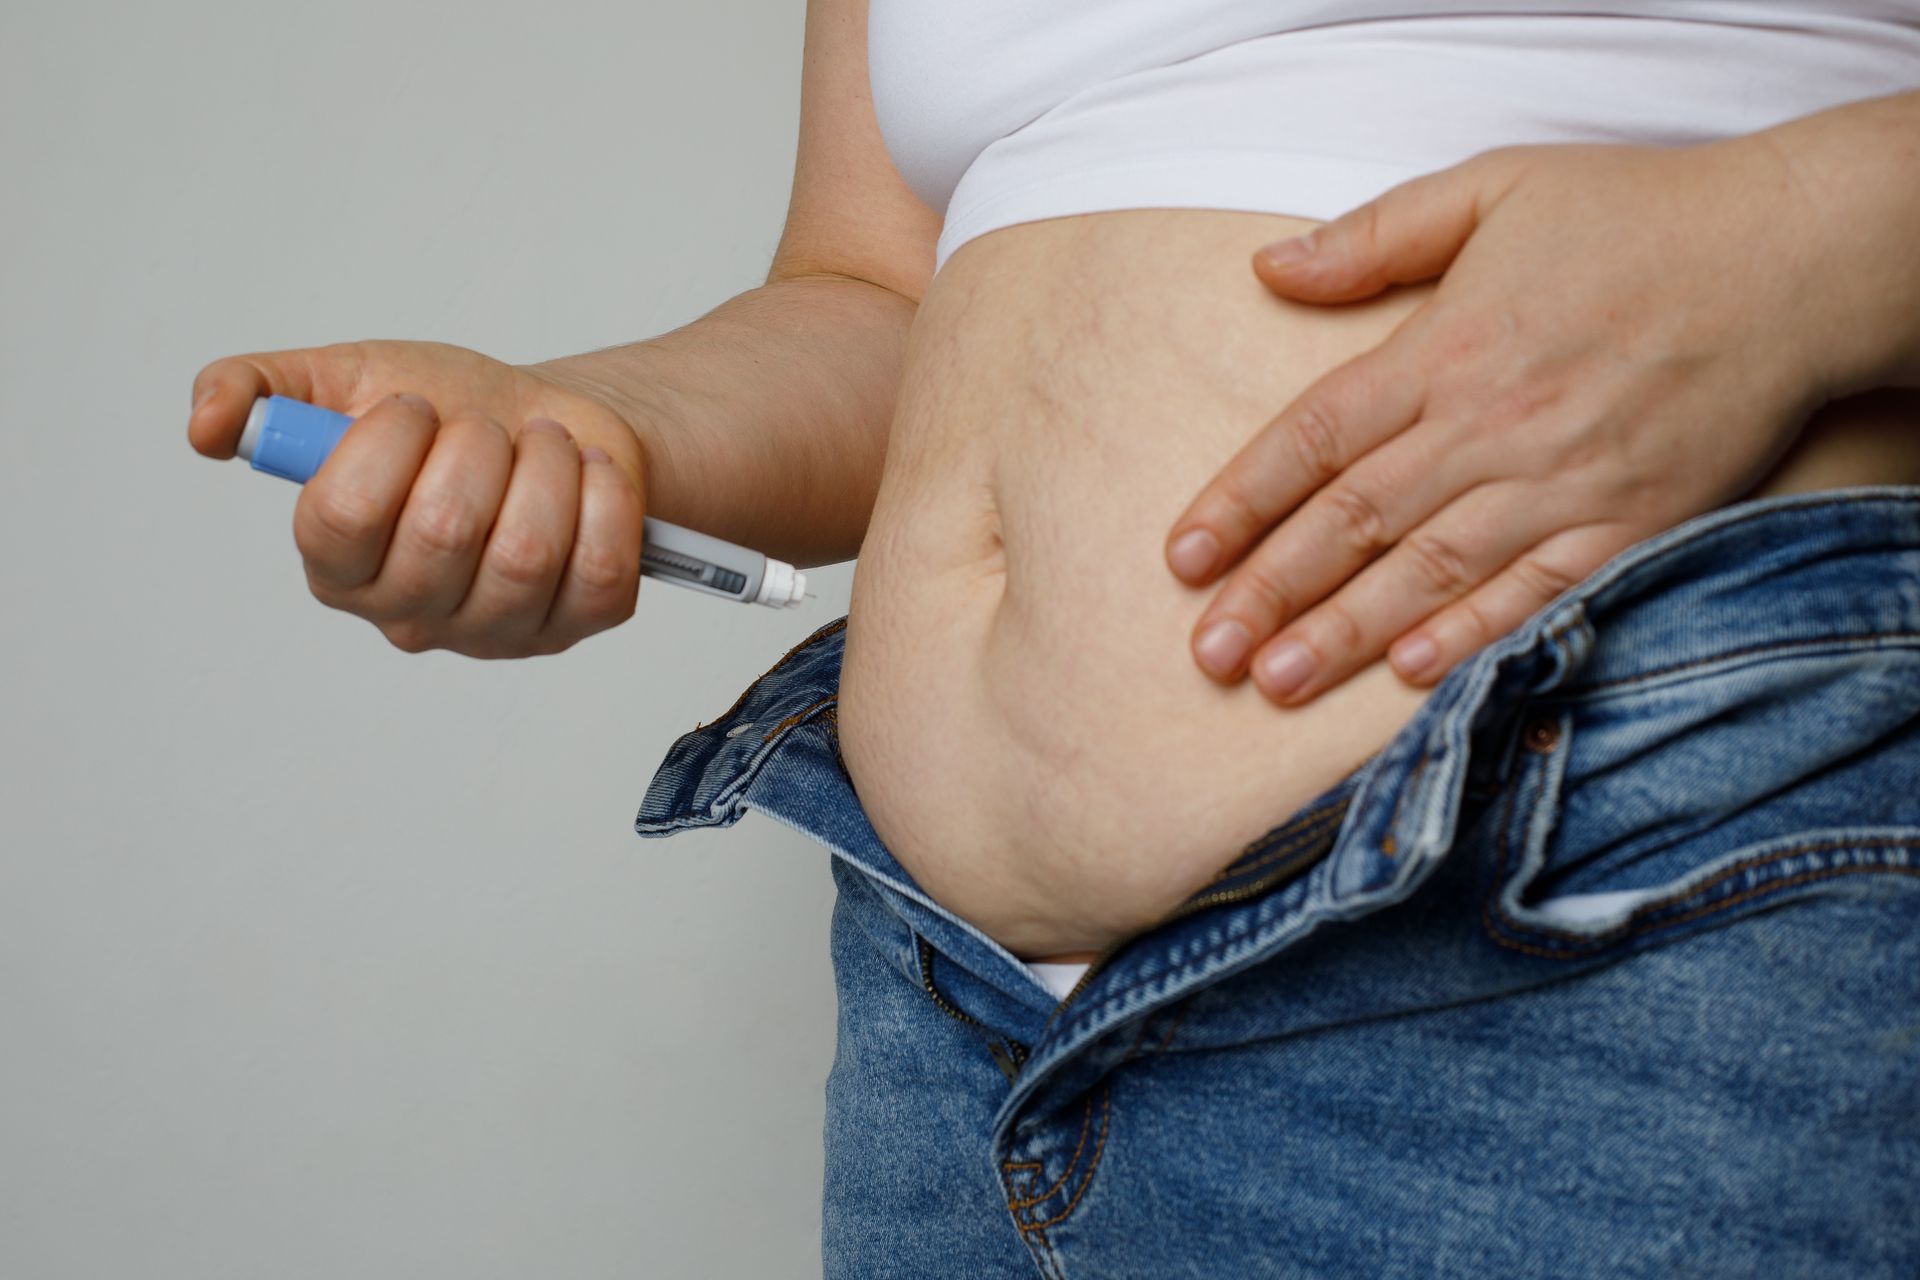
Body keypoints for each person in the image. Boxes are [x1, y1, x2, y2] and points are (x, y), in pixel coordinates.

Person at [190, 2, 1920, 1274]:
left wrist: (1784, 246)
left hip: (1615, 891)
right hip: (956, 1020)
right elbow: (874, 297)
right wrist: (582, 430)